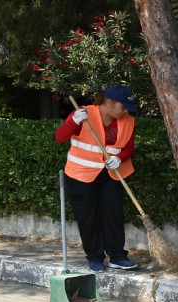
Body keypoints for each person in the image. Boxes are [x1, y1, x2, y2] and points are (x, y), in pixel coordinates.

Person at [55, 85, 139, 272]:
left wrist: (119, 158)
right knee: (88, 217)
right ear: (109, 102)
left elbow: (129, 148)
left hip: (111, 174)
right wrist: (73, 122)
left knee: (114, 214)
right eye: (123, 107)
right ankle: (95, 257)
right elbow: (60, 137)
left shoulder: (127, 121)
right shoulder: (82, 114)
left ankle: (117, 256)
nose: (126, 111)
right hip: (80, 174)